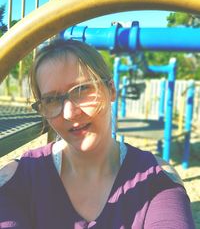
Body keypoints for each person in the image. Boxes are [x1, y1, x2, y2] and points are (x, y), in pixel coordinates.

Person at [0, 39, 195, 229]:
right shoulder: (19, 177)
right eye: (51, 99)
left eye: (82, 89)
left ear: (111, 89)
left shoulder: (156, 178)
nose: (69, 113)